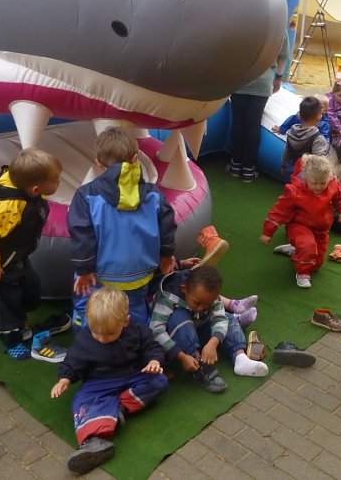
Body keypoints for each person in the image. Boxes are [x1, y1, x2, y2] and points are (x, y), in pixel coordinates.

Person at [51, 287, 169, 476]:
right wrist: (65, 378)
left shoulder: (137, 329)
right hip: (99, 382)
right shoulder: (85, 339)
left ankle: (119, 408)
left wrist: (154, 361)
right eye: (96, 333)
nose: (102, 339)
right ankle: (93, 442)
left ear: (125, 322)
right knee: (81, 400)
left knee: (159, 381)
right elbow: (73, 361)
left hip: (132, 375)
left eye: (109, 334)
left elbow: (151, 347)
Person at [68, 126, 176, 330]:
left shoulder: (86, 196)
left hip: (100, 275)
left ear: (98, 163)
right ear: (135, 158)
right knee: (133, 307)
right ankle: (137, 338)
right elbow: (167, 227)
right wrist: (167, 255)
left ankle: (86, 337)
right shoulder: (153, 195)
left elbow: (82, 235)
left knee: (90, 307)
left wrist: (83, 270)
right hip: (139, 274)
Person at [0, 148, 69, 362]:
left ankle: (20, 317)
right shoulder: (8, 208)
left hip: (14, 257)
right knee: (3, 300)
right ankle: (10, 339)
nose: (59, 183)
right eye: (56, 181)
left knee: (30, 288)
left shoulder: (29, 195)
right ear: (35, 188)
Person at [149, 265, 268, 393]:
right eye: (197, 303)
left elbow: (220, 318)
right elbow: (156, 330)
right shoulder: (168, 297)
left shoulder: (208, 294)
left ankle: (241, 359)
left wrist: (213, 342)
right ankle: (199, 365)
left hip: (198, 326)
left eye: (207, 304)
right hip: (178, 337)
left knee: (228, 318)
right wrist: (182, 357)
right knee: (180, 317)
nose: (201, 307)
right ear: (184, 289)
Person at [260, 154, 341, 288]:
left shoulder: (333, 185)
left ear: (329, 178)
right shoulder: (295, 191)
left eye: (322, 183)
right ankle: (302, 273)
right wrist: (268, 232)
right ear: (306, 178)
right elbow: (278, 211)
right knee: (307, 248)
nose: (319, 187)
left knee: (316, 264)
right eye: (315, 183)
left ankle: (296, 250)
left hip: (321, 229)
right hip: (299, 225)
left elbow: (340, 198)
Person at [228, 36, 290, 183]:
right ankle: (249, 168)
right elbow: (282, 57)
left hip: (240, 78)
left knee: (238, 123)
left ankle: (235, 164)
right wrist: (279, 78)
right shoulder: (278, 24)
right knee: (253, 125)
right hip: (263, 80)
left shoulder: (244, 22)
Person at [279, 96, 329, 180]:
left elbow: (286, 152)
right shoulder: (317, 138)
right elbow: (320, 161)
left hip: (290, 172)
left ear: (299, 116)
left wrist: (283, 166)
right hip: (307, 177)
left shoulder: (291, 131)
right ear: (319, 117)